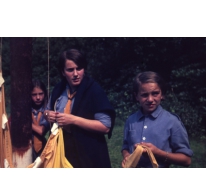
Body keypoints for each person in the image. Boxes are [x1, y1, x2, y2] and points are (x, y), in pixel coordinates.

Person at [43, 48, 116, 168]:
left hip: (90, 153)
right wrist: (47, 115)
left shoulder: (94, 90)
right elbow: (47, 110)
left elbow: (105, 126)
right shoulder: (59, 89)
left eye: (79, 68)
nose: (76, 74)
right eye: (70, 70)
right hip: (64, 149)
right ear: (63, 72)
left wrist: (73, 120)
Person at [121, 71, 193, 168]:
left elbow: (186, 160)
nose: (150, 99)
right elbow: (125, 146)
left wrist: (158, 153)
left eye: (155, 93)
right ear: (136, 96)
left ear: (162, 94)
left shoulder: (172, 121)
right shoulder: (131, 120)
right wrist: (126, 155)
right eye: (144, 95)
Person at [31, 79, 50, 161]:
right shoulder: (26, 110)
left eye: (40, 94)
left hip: (43, 148)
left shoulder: (48, 110)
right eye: (34, 95)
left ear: (45, 94)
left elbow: (41, 131)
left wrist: (26, 122)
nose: (38, 97)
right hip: (27, 147)